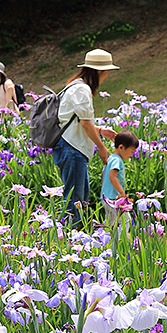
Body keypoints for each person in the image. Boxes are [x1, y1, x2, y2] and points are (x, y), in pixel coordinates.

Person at [53, 49, 119, 228]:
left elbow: (76, 121)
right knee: (75, 199)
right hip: (72, 148)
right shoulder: (82, 89)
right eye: (106, 72)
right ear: (99, 71)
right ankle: (70, 236)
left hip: (70, 147)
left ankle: (74, 235)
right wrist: (102, 148)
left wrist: (100, 131)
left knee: (79, 197)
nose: (107, 76)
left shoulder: (75, 85)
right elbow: (84, 124)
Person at [100, 131, 139, 226]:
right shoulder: (117, 160)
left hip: (105, 197)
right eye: (131, 151)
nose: (131, 155)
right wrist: (121, 193)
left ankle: (103, 237)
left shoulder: (110, 158)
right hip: (114, 198)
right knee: (126, 221)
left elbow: (102, 175)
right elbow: (112, 176)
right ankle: (122, 240)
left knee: (111, 221)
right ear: (121, 147)